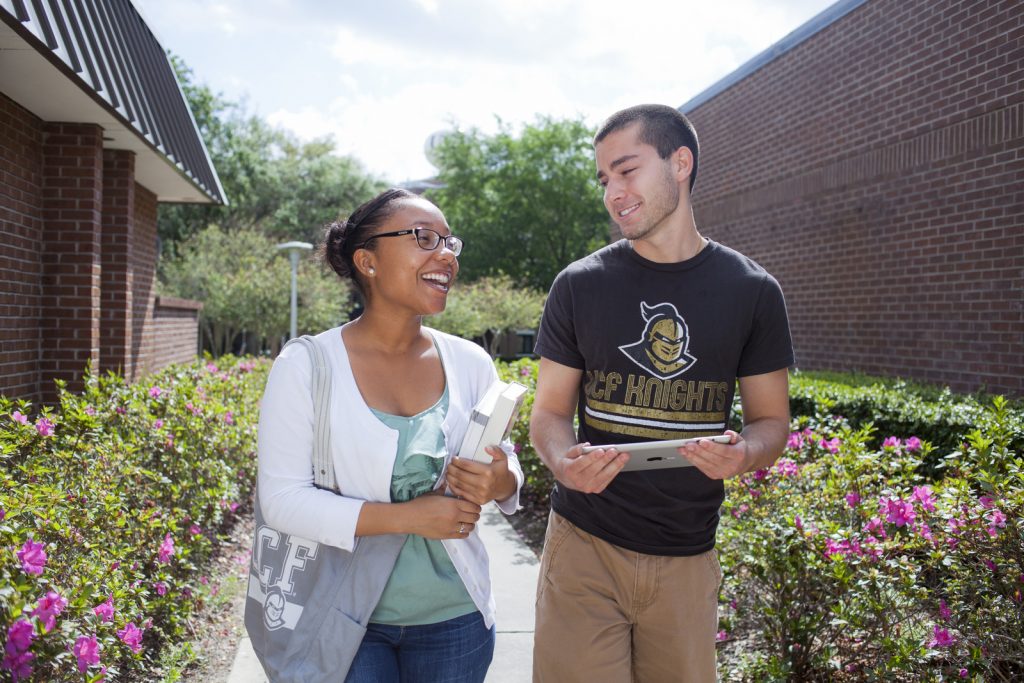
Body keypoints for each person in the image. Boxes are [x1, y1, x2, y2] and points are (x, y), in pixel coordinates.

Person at [530, 104, 795, 682]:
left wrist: (745, 454)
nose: (612, 192)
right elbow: (548, 412)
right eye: (604, 179)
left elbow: (771, 422)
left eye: (626, 171)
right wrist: (562, 461)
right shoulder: (579, 285)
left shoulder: (752, 291)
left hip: (688, 556)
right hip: (584, 545)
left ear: (680, 162)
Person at [257, 187, 523, 682]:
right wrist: (407, 518)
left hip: (457, 620)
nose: (446, 253)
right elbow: (282, 500)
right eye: (424, 238)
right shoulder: (307, 366)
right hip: (343, 618)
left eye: (449, 241)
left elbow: (503, 465)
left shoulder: (470, 362)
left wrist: (500, 480)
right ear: (368, 261)